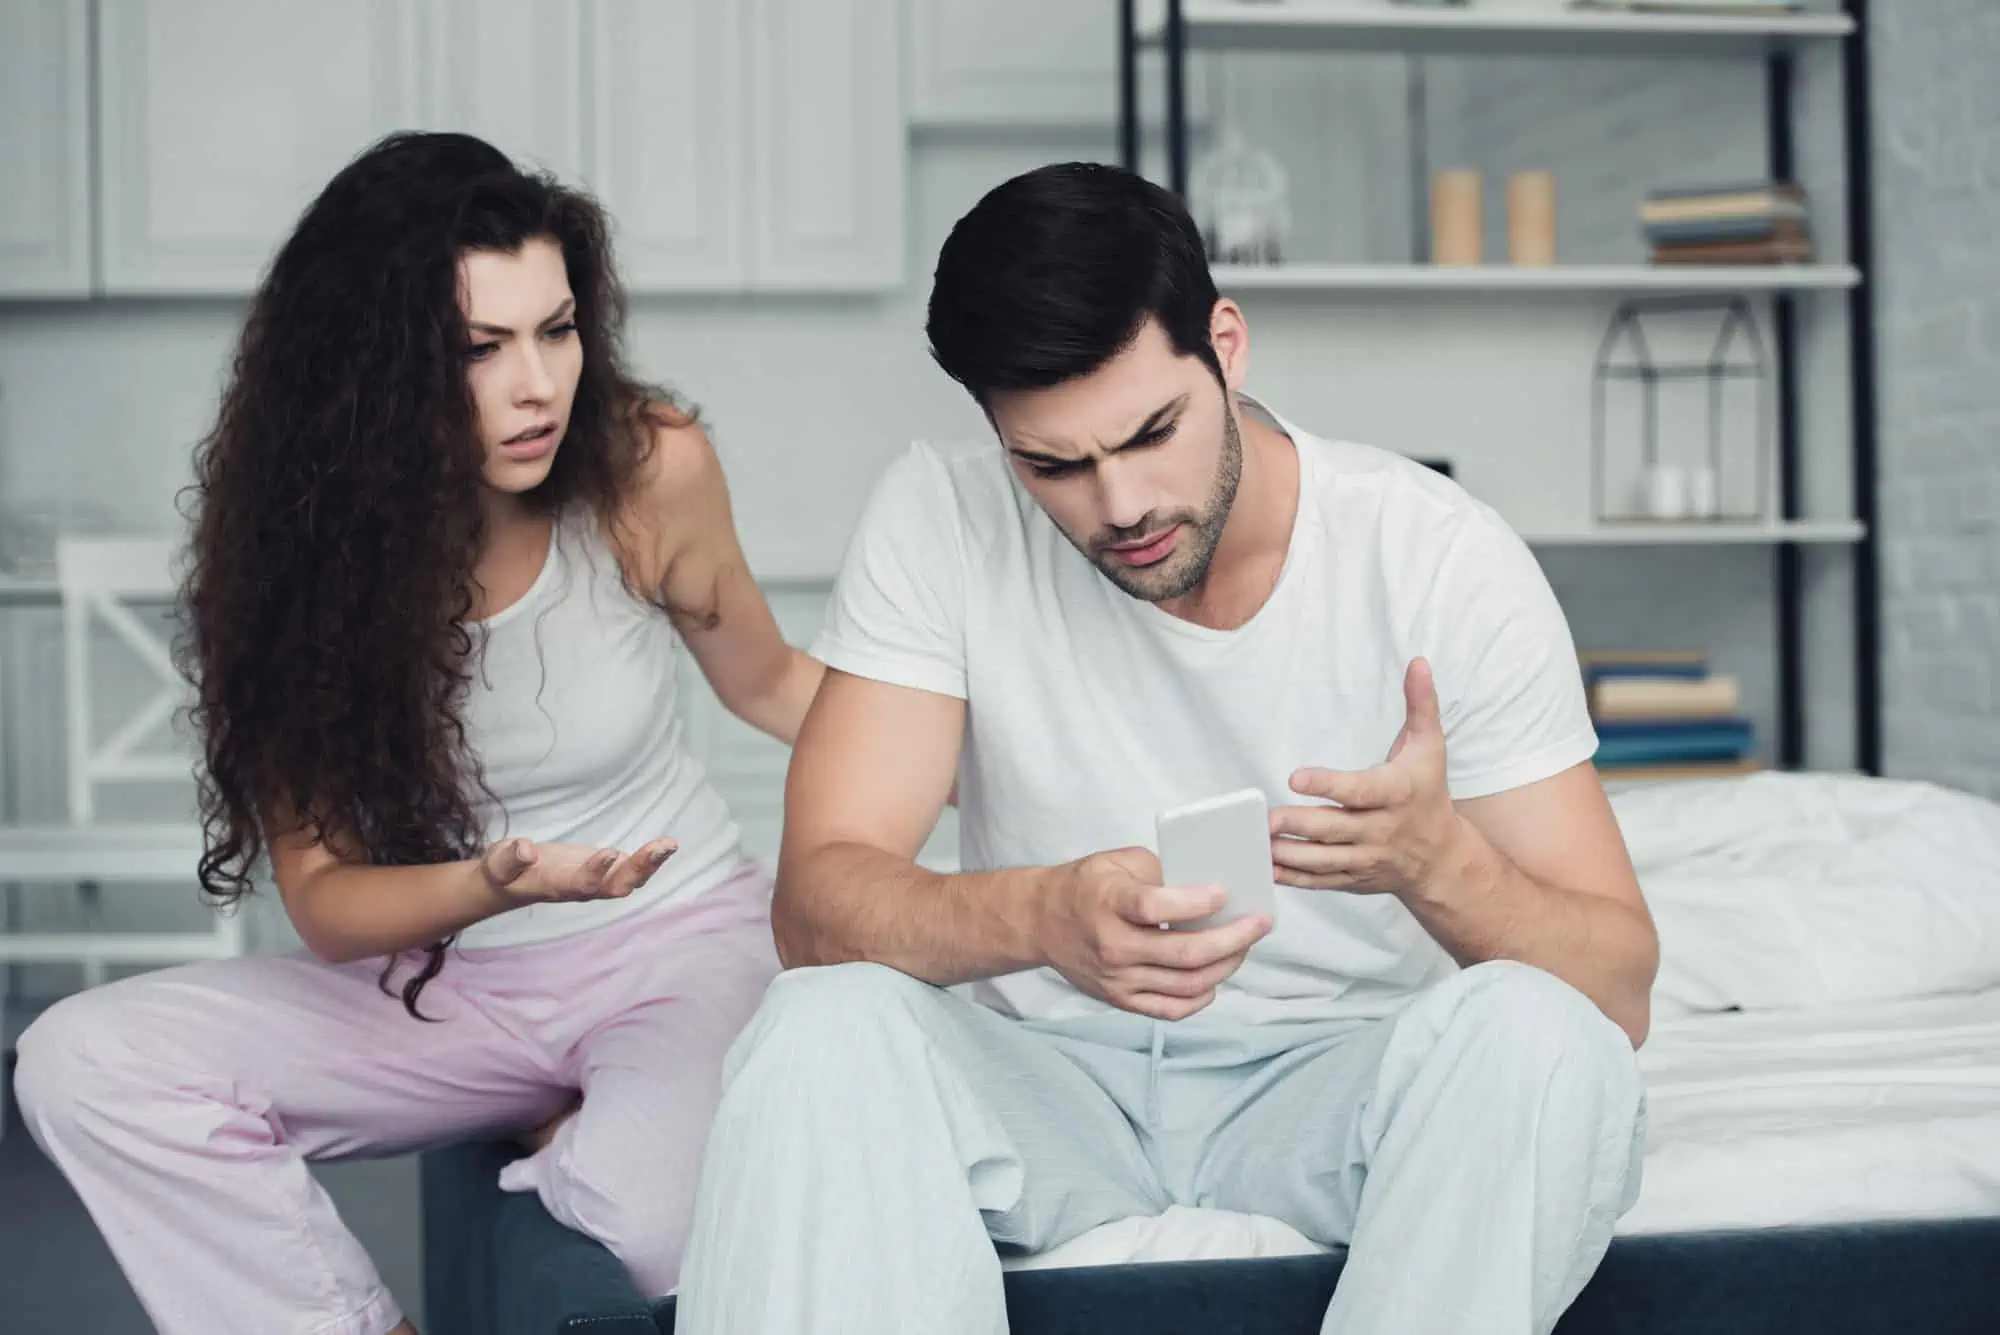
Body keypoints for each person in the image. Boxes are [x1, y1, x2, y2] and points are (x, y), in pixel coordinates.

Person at [674, 161, 1659, 1335]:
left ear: (1225, 347)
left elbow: (1617, 988)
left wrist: (1437, 863)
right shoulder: (938, 517)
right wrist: (1038, 919)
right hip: (1050, 1088)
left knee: (1546, 1042)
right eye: (1053, 465)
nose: (1121, 504)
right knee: (815, 1029)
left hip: (1327, 1088)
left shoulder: (1437, 558)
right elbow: (815, 907)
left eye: (1151, 433)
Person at [12, 132, 818, 1335]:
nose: (538, 383)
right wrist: (491, 884)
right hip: (447, 983)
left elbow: (770, 682)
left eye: (556, 329)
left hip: (674, 946)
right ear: (376, 372)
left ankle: (573, 1122)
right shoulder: (296, 562)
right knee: (79, 1063)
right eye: (479, 349)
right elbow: (328, 901)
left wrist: (976, 742)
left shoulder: (645, 470)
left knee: (651, 1230)